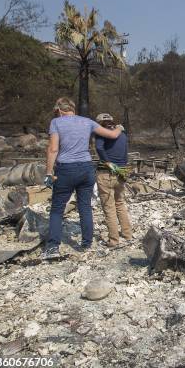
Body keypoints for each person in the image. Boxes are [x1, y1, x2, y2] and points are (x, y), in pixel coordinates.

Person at [42, 98, 123, 259]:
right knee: (84, 206)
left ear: (59, 110)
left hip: (66, 169)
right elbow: (113, 134)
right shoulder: (87, 121)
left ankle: (52, 247)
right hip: (86, 168)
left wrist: (49, 172)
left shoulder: (56, 123)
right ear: (72, 109)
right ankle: (86, 243)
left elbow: (53, 149)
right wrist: (119, 128)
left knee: (57, 209)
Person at [94, 113, 133, 248]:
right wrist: (122, 167)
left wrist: (107, 161)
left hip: (106, 173)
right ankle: (128, 234)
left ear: (99, 123)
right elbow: (125, 152)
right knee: (120, 203)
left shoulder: (101, 133)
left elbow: (99, 148)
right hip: (121, 172)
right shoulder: (122, 134)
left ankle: (114, 240)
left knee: (109, 207)